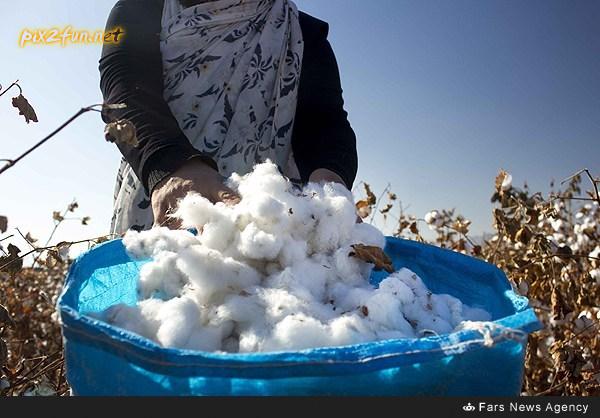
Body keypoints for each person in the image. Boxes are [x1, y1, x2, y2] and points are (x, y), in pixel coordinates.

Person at [100, 0, 358, 234]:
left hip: (266, 221)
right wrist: (170, 166)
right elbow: (124, 89)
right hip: (164, 197)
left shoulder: (301, 32)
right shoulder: (138, 9)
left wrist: (329, 191)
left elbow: (325, 123)